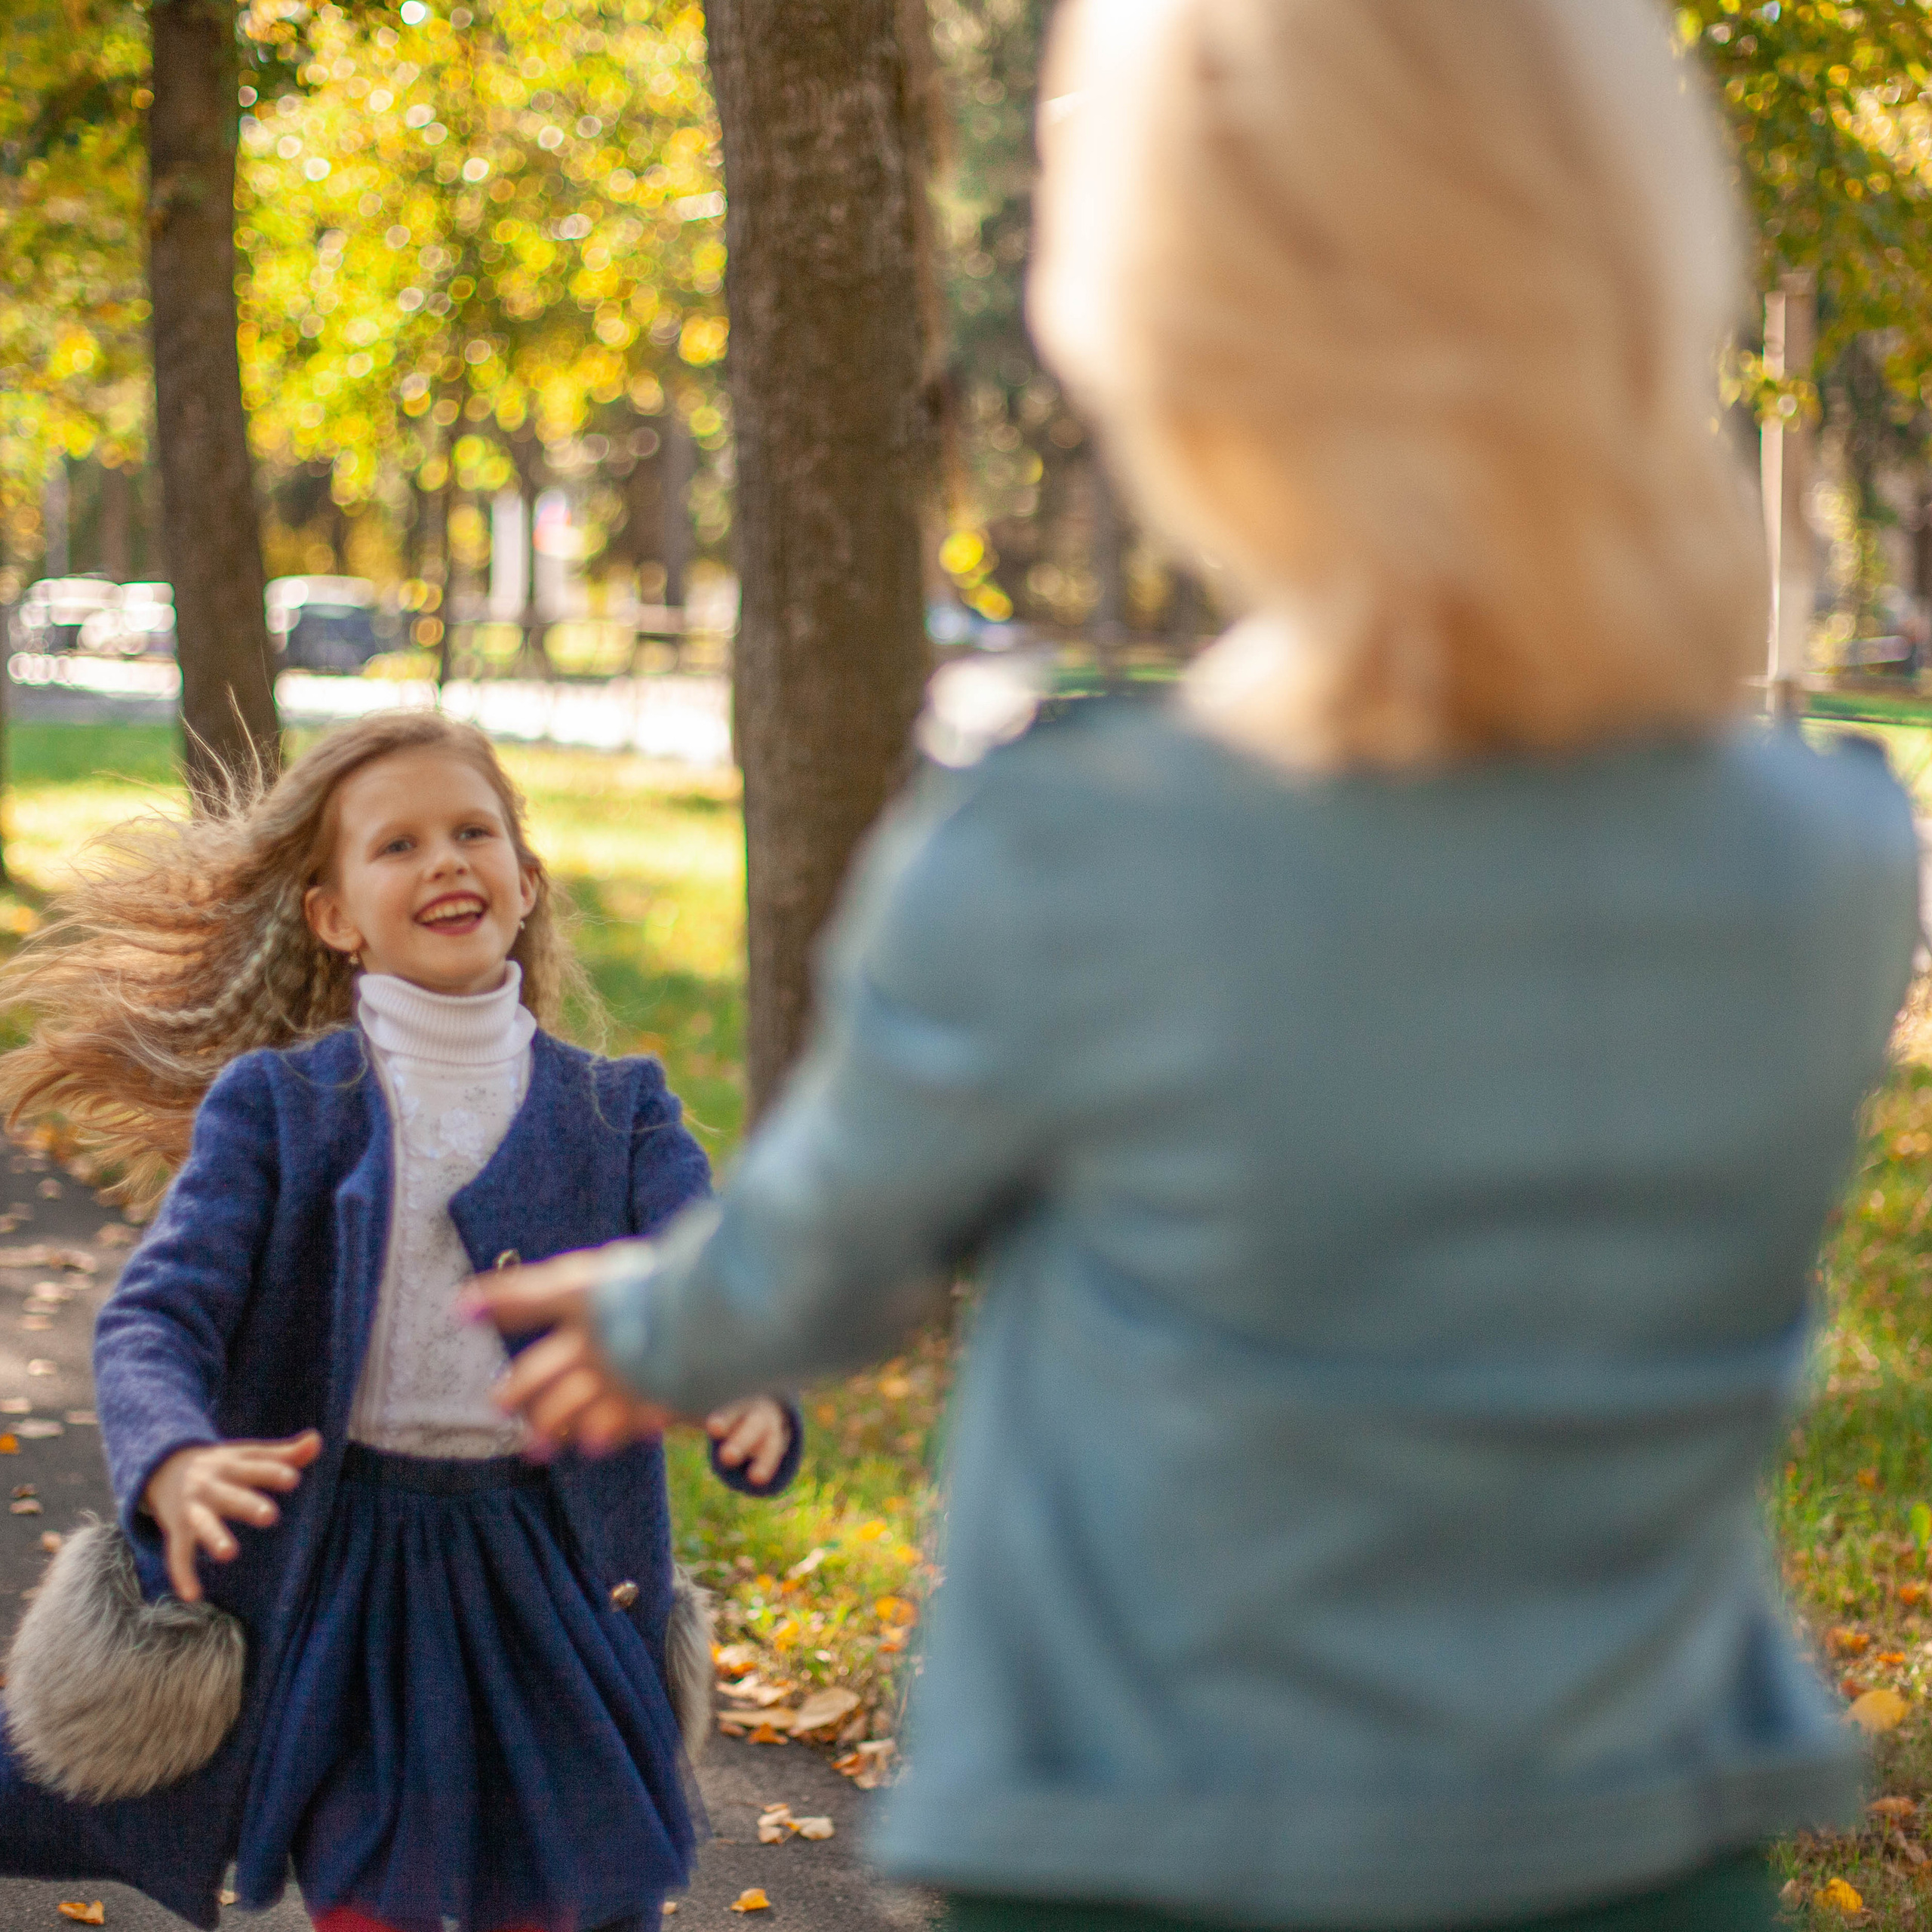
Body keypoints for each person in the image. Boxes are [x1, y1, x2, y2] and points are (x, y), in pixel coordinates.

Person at [470, 3, 1919, 1930]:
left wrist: (650, 1327)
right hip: (1641, 1834)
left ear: (1173, 317)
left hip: (1145, 1836)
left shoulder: (1066, 846)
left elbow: (830, 1259)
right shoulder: (1825, 860)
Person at [0, 712, 801, 1932]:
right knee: (376, 1887)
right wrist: (171, 1455)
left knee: (573, 1894)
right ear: (334, 915)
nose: (445, 862)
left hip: (554, 1571)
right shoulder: (280, 1107)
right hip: (354, 1572)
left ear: (527, 883)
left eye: (474, 833)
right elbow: (158, 1314)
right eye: (399, 845)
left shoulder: (619, 1112)